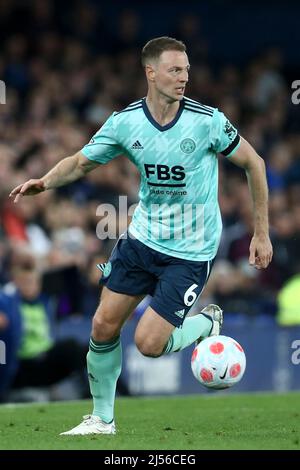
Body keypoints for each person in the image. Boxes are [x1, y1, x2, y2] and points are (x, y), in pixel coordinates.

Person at [10, 37, 273, 435]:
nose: (184, 77)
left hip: (190, 250)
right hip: (142, 240)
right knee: (102, 326)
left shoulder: (207, 122)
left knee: (149, 345)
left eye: (186, 70)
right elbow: (81, 162)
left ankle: (205, 324)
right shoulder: (126, 122)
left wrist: (262, 232)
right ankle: (102, 419)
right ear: (151, 73)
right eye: (174, 70)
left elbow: (255, 163)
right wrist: (44, 183)